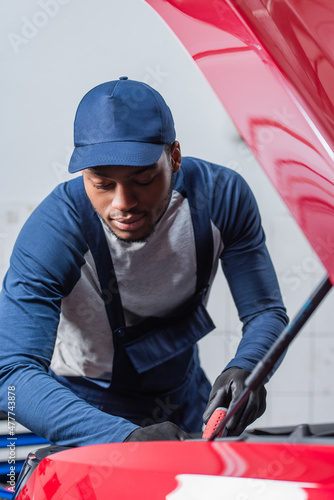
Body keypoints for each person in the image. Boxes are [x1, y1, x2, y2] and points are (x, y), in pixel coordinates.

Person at [0, 77, 288, 446]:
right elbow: (12, 372)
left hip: (187, 396)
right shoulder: (55, 232)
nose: (123, 203)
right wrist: (124, 437)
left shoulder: (221, 198)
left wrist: (249, 368)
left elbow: (265, 311)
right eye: (102, 184)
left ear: (175, 157)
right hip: (89, 410)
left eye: (144, 179)